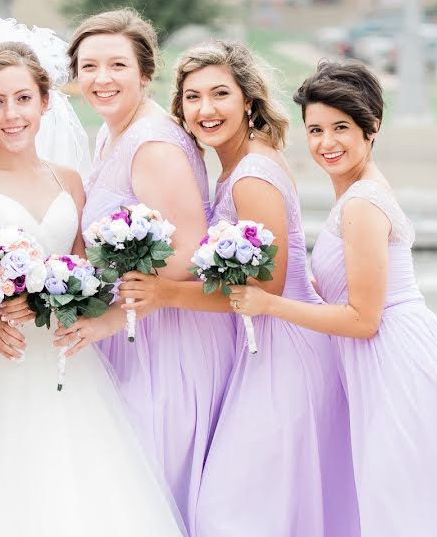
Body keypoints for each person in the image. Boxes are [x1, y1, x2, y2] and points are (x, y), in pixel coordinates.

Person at [0, 29, 186, 537]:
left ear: (45, 104)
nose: (12, 114)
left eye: (23, 99)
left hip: (62, 359)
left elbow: (81, 272)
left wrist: (77, 309)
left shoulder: (70, 181)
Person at [120, 40, 357, 536]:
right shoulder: (230, 165)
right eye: (192, 97)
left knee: (233, 511)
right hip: (259, 351)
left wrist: (164, 294)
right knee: (263, 506)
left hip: (286, 351)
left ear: (247, 100)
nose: (205, 109)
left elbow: (264, 286)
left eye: (220, 94)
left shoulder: (252, 174)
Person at [228, 60, 437, 536]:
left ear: (371, 128)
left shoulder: (361, 203)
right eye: (315, 130)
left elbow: (363, 319)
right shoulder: (356, 195)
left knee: (401, 499)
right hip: (385, 353)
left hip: (393, 359)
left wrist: (269, 304)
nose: (326, 143)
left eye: (341, 128)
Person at [51, 9, 236, 531]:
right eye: (89, 66)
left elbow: (192, 254)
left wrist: (108, 282)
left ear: (145, 72)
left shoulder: (153, 143)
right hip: (130, 331)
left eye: (116, 65)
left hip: (166, 342)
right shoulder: (112, 135)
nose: (101, 78)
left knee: (155, 483)